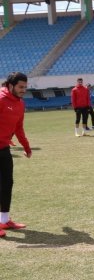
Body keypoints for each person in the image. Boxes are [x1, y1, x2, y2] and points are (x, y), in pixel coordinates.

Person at [0, 72, 32, 237]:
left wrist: (26, 146)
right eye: (20, 87)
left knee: (7, 183)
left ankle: (4, 220)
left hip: (3, 147)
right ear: (10, 85)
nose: (23, 90)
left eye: (25, 87)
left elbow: (19, 127)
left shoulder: (20, 104)